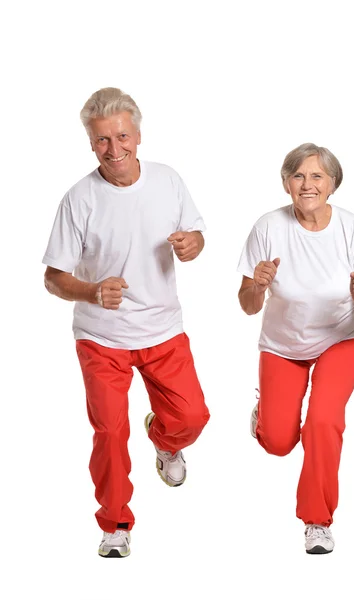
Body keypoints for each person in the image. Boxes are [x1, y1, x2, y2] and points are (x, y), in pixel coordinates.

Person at [42, 87, 210, 558]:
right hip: (101, 337)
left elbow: (196, 234)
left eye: (121, 136)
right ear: (90, 143)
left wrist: (194, 244)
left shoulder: (168, 180)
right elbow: (54, 278)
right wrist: (93, 290)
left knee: (193, 417)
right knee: (111, 432)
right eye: (101, 141)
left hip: (163, 330)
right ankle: (115, 524)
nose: (113, 150)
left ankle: (165, 440)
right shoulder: (78, 199)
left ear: (138, 134)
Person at [237, 143, 354, 554]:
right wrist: (259, 286)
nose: (307, 184)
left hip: (342, 338)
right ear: (286, 184)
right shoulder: (268, 227)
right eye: (298, 176)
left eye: (317, 176)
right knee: (279, 442)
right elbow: (247, 306)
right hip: (283, 345)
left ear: (332, 184)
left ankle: (317, 520)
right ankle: (265, 417)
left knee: (322, 420)